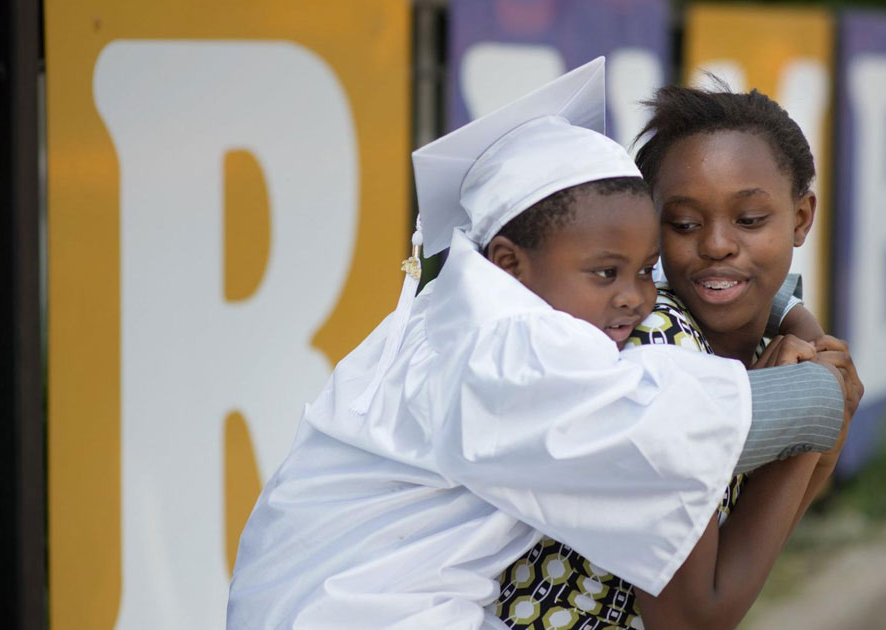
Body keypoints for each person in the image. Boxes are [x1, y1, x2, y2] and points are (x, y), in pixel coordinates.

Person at [226, 59, 847, 630]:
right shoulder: (517, 352)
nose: (635, 294)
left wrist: (798, 327)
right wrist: (821, 398)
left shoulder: (472, 311)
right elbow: (673, 437)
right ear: (507, 263)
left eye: (642, 267)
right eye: (681, 227)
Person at [491, 83, 862, 630]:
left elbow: (746, 551)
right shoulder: (658, 338)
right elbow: (693, 619)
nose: (716, 244)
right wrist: (817, 408)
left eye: (750, 220)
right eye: (684, 225)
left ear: (802, 217)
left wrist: (820, 412)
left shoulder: (762, 346)